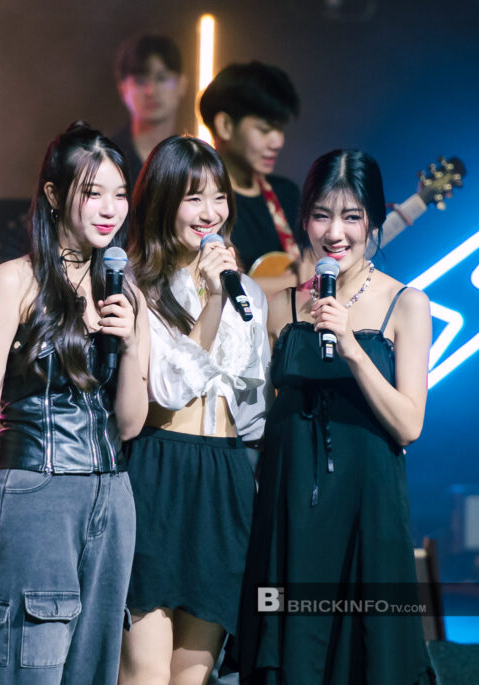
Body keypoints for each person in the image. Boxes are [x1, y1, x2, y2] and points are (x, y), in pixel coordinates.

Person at [0, 122, 150, 683]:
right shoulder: (14, 283)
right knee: (28, 662)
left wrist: (133, 344)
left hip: (112, 496)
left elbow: (130, 423)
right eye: (93, 192)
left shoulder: (126, 292)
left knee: (95, 666)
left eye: (119, 194)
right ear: (55, 195)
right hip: (35, 491)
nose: (110, 209)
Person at [237, 150, 434, 684]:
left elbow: (409, 424)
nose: (335, 232)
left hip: (367, 515)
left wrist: (351, 347)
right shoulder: (280, 307)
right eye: (322, 215)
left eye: (351, 216)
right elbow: (255, 417)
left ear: (373, 221)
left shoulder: (407, 304)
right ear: (304, 220)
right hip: (289, 516)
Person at [119, 136, 270, 685]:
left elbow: (253, 407)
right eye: (194, 198)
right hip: (158, 470)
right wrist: (212, 301)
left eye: (219, 197)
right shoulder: (134, 286)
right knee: (145, 672)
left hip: (224, 477)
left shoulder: (247, 291)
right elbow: (167, 388)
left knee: (193, 675)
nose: (211, 213)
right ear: (163, 202)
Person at [199, 62, 311, 297]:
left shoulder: (287, 194)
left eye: (280, 129)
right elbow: (201, 285)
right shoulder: (199, 203)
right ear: (225, 125)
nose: (278, 142)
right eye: (265, 130)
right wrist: (294, 282)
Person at [111, 35, 188, 188]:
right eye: (140, 81)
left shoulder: (192, 161)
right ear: (122, 89)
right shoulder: (106, 159)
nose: (150, 91)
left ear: (182, 85)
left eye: (161, 78)